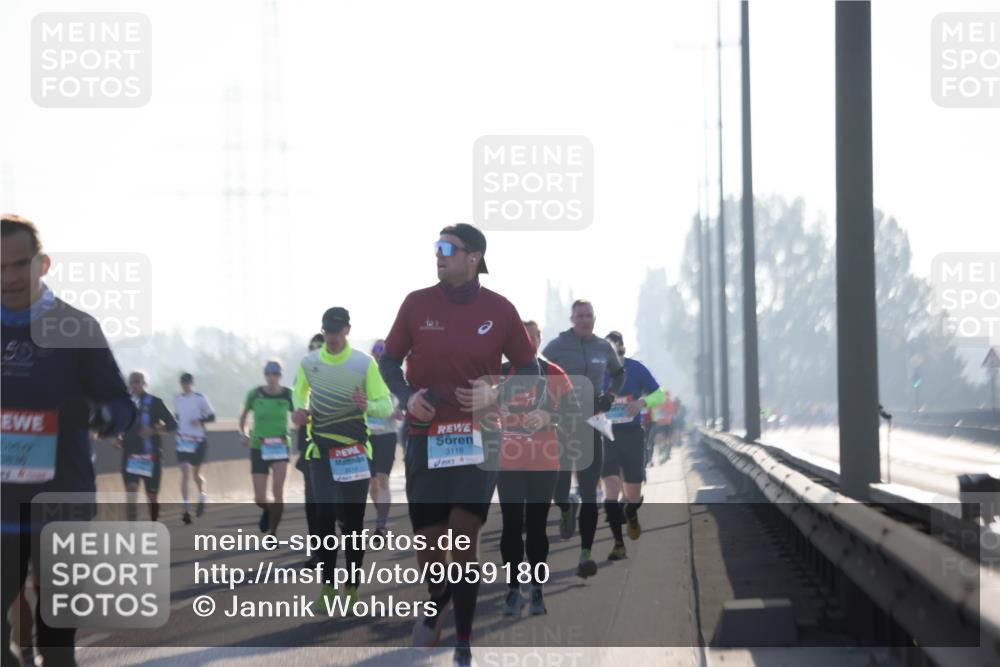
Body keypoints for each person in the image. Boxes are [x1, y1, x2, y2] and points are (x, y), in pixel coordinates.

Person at [379, 223, 537, 667]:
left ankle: (463, 642)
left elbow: (530, 372)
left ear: (474, 257)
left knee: (464, 536)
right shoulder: (416, 304)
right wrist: (407, 397)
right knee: (431, 546)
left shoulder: (501, 310)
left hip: (478, 437)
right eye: (436, 247)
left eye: (448, 248)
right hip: (424, 439)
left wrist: (497, 393)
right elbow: (388, 360)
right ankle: (439, 594)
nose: (439, 254)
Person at [2, 214, 135, 667]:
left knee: (58, 644)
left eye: (19, 264)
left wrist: (98, 414)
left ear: (44, 264)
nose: (9, 278)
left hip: (63, 502)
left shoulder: (77, 328)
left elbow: (123, 406)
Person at [295, 308, 393, 612]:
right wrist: (300, 410)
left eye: (337, 331)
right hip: (321, 453)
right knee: (324, 516)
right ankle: (327, 588)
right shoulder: (309, 364)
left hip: (354, 454)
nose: (333, 337)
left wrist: (369, 404)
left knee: (352, 525)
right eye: (328, 331)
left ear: (347, 330)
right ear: (323, 331)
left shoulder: (364, 363)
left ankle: (351, 588)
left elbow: (386, 406)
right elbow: (298, 395)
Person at [541, 300, 624, 578]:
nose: (585, 319)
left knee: (590, 491)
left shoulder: (604, 347)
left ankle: (585, 555)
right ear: (572, 318)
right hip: (563, 425)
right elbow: (539, 372)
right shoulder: (556, 347)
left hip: (592, 422)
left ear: (595, 318)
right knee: (559, 489)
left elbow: (618, 373)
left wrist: (610, 396)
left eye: (589, 315)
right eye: (580, 316)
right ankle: (566, 507)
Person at [498, 320, 572, 617]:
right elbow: (478, 409)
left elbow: (573, 411)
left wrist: (548, 415)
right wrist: (494, 409)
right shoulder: (500, 373)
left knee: (538, 527)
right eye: (522, 337)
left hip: (543, 460)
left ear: (540, 340)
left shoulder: (552, 372)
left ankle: (537, 589)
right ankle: (514, 589)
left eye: (533, 337)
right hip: (508, 460)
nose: (527, 342)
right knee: (512, 526)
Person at [600, 332, 665, 560]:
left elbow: (660, 395)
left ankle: (631, 511)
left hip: (632, 435)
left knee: (633, 491)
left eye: (618, 353)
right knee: (610, 488)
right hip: (608, 436)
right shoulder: (598, 373)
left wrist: (641, 402)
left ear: (623, 351)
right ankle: (618, 544)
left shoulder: (636, 369)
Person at [239, 360, 295, 536]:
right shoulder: (255, 394)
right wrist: (244, 433)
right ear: (265, 375)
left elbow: (298, 416)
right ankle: (268, 510)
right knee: (259, 498)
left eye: (276, 374)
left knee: (278, 490)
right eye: (269, 374)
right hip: (259, 446)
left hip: (280, 446)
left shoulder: (288, 394)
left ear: (280, 375)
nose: (272, 377)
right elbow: (243, 418)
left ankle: (273, 533)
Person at [118, 370, 177, 522]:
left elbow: (172, 424)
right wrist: (116, 437)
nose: (135, 385)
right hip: (131, 456)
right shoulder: (124, 404)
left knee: (152, 497)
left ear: (145, 384)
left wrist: (153, 430)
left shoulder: (155, 402)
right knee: (131, 493)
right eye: (132, 382)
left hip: (150, 457)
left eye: (138, 382)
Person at [367, 339, 403, 538]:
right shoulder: (363, 375)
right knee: (372, 483)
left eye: (382, 352)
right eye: (376, 352)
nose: (378, 355)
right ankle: (380, 516)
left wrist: (398, 410)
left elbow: (401, 400)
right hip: (367, 435)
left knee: (383, 480)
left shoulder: (392, 375)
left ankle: (381, 525)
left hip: (387, 435)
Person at [296, 333, 325, 565]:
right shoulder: (303, 374)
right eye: (312, 348)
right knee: (313, 500)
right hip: (311, 446)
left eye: (320, 347)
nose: (315, 352)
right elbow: (297, 400)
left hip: (340, 445)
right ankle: (318, 550)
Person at [173, 373, 215, 524]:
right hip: (182, 440)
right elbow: (178, 416)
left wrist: (199, 420)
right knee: (184, 471)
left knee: (196, 475)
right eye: (184, 383)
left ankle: (202, 495)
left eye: (188, 383)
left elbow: (212, 416)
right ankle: (185, 509)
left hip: (198, 441)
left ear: (193, 383)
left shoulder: (200, 398)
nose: (186, 385)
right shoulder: (176, 399)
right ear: (181, 384)